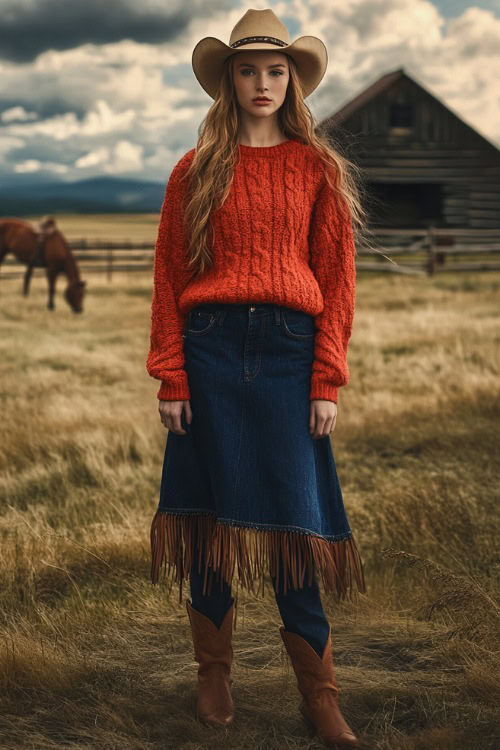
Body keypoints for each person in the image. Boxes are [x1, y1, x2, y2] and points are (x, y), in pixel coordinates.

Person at [146, 8, 369, 749]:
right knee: (210, 523)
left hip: (287, 353)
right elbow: (169, 276)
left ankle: (320, 692)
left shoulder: (317, 170)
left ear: (294, 81)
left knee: (294, 528)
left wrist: (326, 380)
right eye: (248, 70)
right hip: (209, 353)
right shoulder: (195, 169)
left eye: (277, 71)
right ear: (228, 80)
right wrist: (171, 374)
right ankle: (215, 673)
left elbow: (338, 281)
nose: (263, 83)